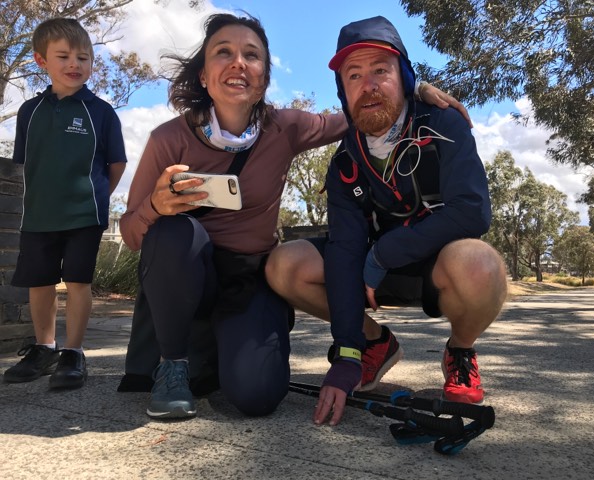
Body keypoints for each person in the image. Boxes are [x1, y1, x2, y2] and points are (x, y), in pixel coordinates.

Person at [117, 12, 469, 421]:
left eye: (252, 55)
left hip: (249, 279)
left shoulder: (284, 126)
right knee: (175, 231)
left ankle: (226, 351)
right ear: (202, 74)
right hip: (187, 269)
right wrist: (154, 208)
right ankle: (173, 367)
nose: (238, 63)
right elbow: (130, 233)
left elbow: (359, 112)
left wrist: (413, 88)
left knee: (257, 396)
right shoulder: (168, 138)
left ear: (264, 77)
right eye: (223, 52)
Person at [265, 16, 507, 426]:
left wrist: (384, 254)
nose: (368, 84)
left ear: (405, 76)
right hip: (369, 273)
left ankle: (461, 351)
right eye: (354, 75)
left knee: (480, 264)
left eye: (381, 69)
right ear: (343, 90)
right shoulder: (345, 159)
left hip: (429, 263)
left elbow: (472, 211)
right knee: (283, 265)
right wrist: (346, 354)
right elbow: (344, 248)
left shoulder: (442, 122)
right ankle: (375, 342)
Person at [3, 18, 127, 389]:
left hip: (84, 216)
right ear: (42, 61)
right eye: (64, 56)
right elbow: (25, 162)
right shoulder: (29, 111)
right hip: (38, 217)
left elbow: (116, 164)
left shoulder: (102, 112)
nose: (75, 64)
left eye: (83, 57)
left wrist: (96, 197)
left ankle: (73, 353)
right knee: (39, 284)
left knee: (77, 282)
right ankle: (44, 348)